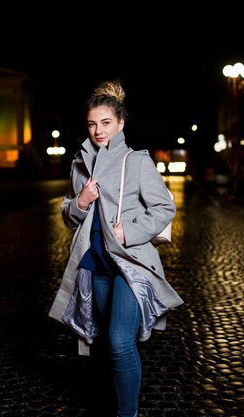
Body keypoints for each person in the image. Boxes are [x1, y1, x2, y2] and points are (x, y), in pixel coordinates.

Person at [48, 79, 184, 417]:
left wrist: (129, 233)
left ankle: (128, 414)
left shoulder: (136, 161)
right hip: (95, 265)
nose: (98, 130)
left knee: (120, 341)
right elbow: (69, 215)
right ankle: (107, 404)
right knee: (101, 345)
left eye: (106, 122)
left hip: (130, 264)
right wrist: (79, 202)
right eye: (92, 123)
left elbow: (165, 208)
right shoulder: (80, 162)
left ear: (121, 123)